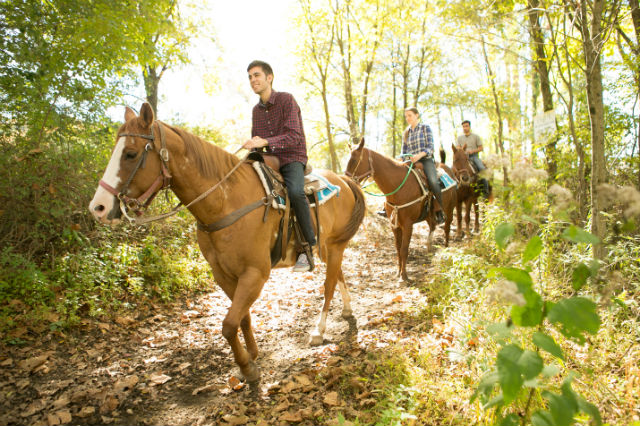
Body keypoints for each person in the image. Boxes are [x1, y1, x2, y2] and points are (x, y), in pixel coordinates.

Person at [242, 60, 316, 272]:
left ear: (269, 78)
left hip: (292, 156)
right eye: (249, 77)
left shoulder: (286, 100)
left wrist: (264, 142)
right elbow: (258, 145)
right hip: (270, 159)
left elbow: (294, 136)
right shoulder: (256, 111)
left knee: (294, 191)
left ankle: (308, 248)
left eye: (256, 75)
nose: (252, 80)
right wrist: (250, 151)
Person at [401, 107, 446, 225]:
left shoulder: (425, 128)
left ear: (417, 115)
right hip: (410, 161)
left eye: (410, 115)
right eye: (406, 116)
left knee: (432, 181)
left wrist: (418, 156)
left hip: (425, 159)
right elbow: (403, 151)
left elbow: (430, 147)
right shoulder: (406, 133)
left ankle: (439, 211)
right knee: (396, 177)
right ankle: (388, 208)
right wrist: (401, 159)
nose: (407, 118)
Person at [456, 120, 489, 197]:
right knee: (453, 169)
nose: (465, 128)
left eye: (466, 126)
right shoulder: (459, 138)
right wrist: (463, 151)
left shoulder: (476, 136)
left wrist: (472, 151)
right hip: (463, 158)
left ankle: (485, 191)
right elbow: (457, 147)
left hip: (474, 157)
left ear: (469, 127)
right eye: (463, 126)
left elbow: (481, 148)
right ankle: (455, 189)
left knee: (481, 168)